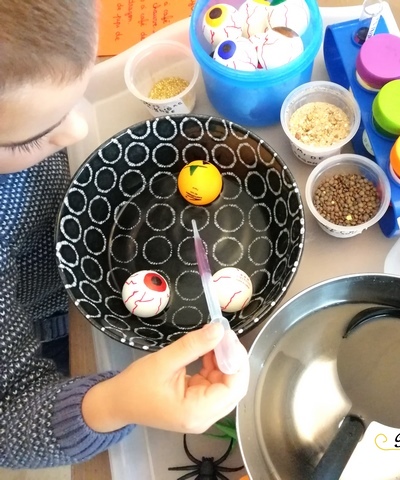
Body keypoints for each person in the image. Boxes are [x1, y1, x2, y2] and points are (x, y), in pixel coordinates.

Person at [0, 0, 249, 469]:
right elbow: (9, 419)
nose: (76, 130)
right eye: (31, 137)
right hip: (48, 322)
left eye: (77, 96)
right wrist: (117, 404)